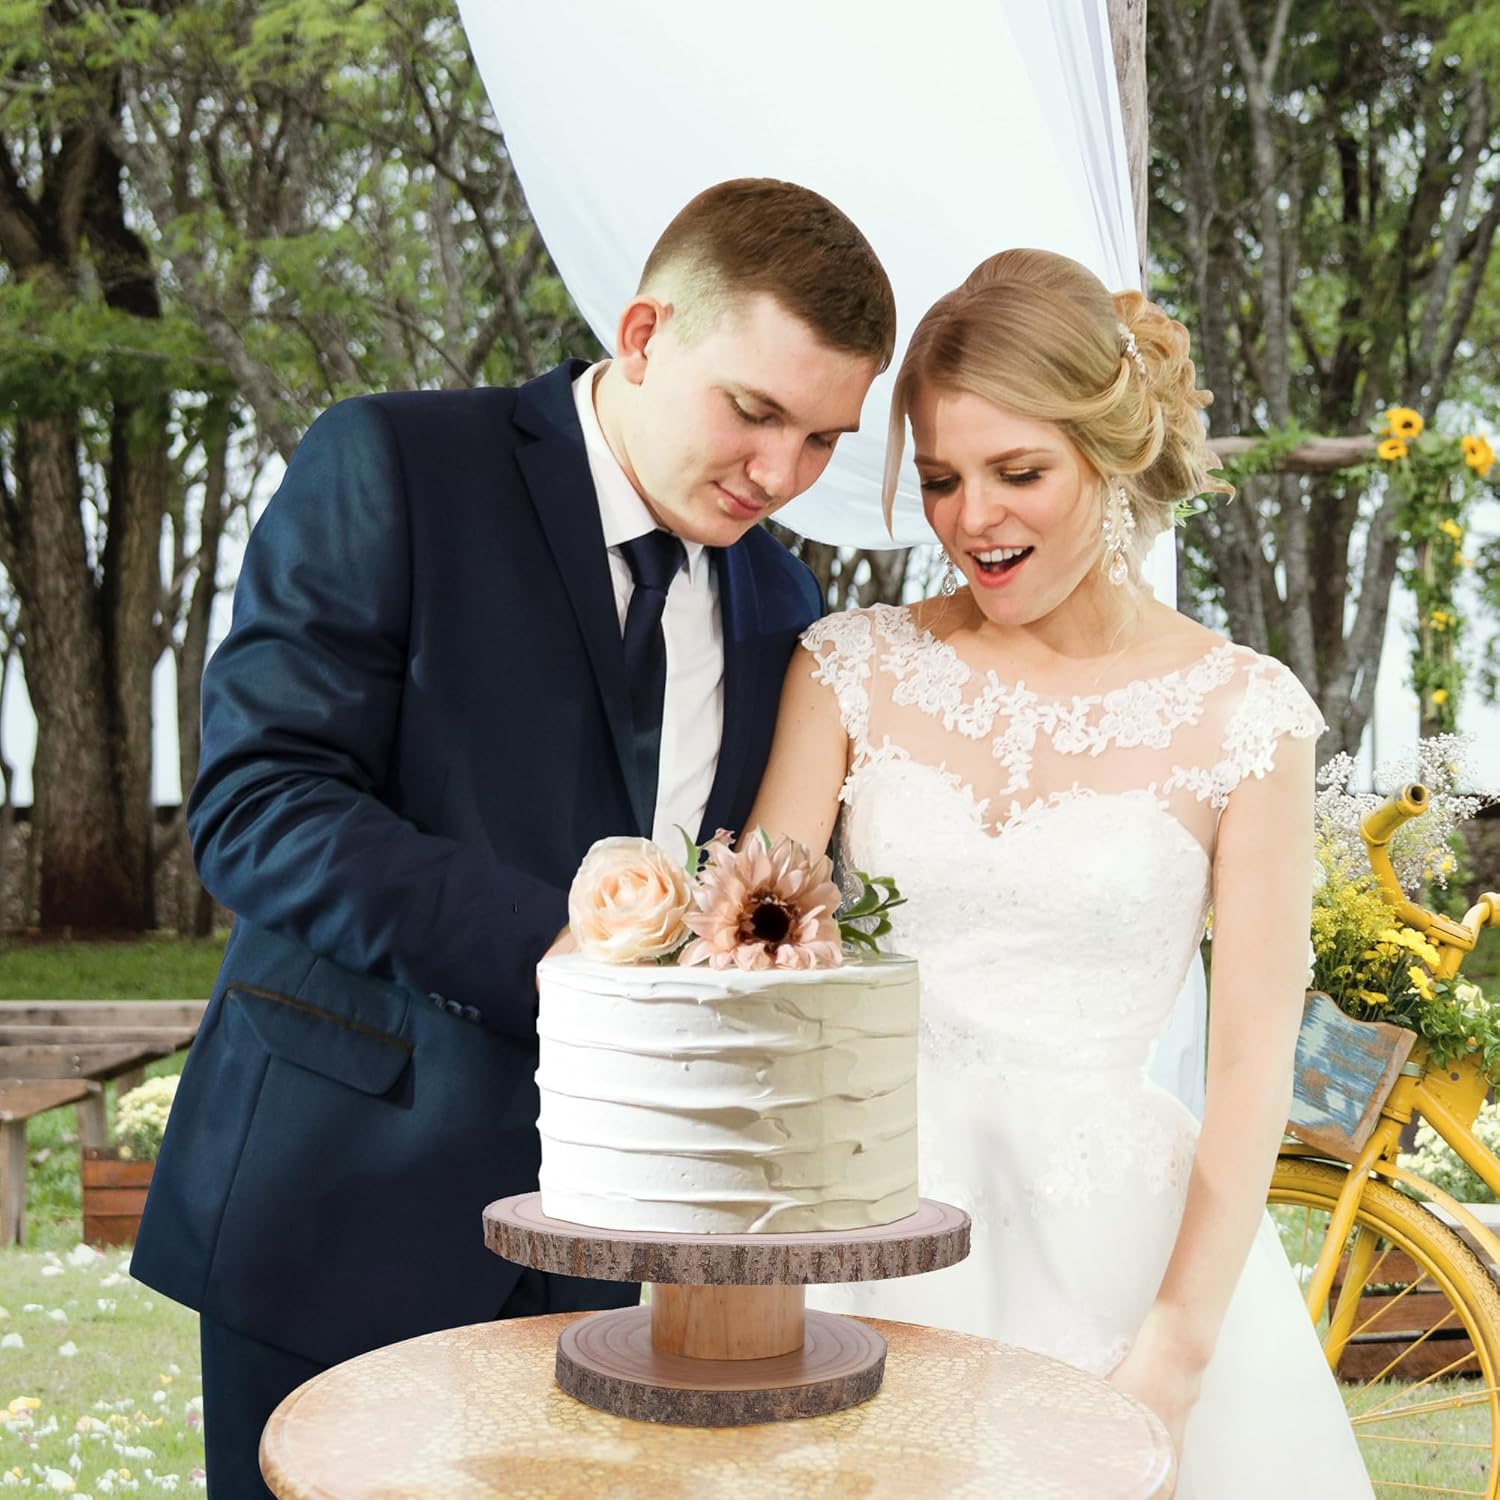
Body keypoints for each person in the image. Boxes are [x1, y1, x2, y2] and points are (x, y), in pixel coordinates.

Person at [130, 177, 896, 1497]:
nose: (783, 475)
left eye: (825, 439)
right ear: (645, 333)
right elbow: (259, 804)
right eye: (757, 412)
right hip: (341, 1209)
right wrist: (559, 944)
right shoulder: (393, 463)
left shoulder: (784, 597)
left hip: (626, 1265)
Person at [746, 248, 1372, 1497]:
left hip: (1115, 1257)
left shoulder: (1247, 717)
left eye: (1018, 471)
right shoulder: (848, 668)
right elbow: (753, 961)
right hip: (858, 1227)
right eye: (939, 479)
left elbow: (1254, 1066)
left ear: (1114, 451)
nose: (973, 518)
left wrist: (1176, 1357)